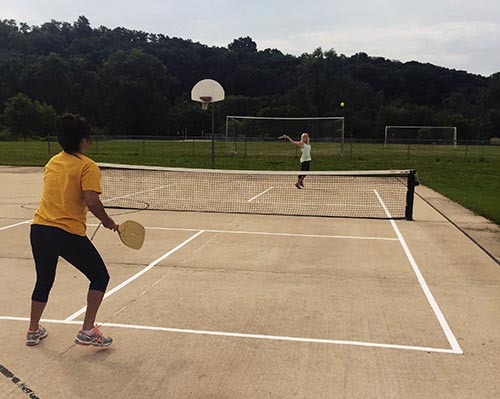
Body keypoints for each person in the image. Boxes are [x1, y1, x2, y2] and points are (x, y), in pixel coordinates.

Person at [27, 113, 118, 347]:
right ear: (85, 141)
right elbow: (92, 201)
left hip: (39, 229)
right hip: (65, 233)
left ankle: (33, 330)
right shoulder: (87, 166)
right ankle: (88, 330)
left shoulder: (53, 161)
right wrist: (107, 221)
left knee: (44, 280)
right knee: (100, 276)